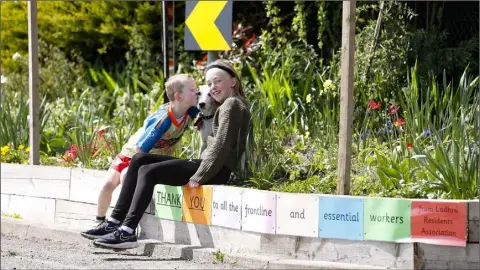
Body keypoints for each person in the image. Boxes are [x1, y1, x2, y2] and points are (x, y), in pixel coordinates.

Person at [84, 59, 253, 249]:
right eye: (209, 83)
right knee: (139, 158)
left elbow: (221, 146)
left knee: (149, 171)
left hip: (216, 169)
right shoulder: (229, 104)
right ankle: (114, 222)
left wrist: (200, 176)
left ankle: (127, 232)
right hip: (210, 164)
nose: (212, 87)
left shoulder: (231, 105)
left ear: (233, 82)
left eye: (217, 81)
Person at [81, 73, 199, 240]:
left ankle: (122, 225)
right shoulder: (163, 119)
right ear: (179, 96)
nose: (198, 92)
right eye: (193, 89)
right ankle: (101, 222)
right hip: (133, 155)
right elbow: (140, 150)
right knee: (108, 184)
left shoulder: (191, 110)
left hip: (147, 159)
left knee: (124, 178)